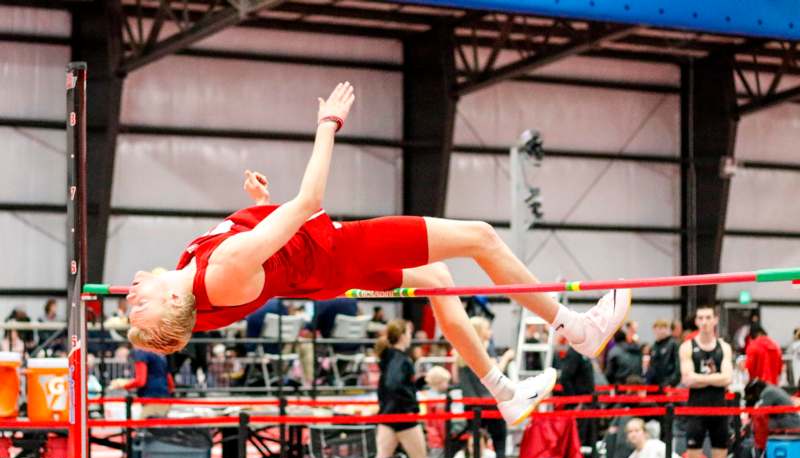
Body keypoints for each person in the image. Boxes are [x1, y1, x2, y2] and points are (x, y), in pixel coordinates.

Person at [124, 81, 631, 425]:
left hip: (318, 265)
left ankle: (502, 390)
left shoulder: (195, 276)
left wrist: (259, 209)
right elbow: (308, 204)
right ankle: (575, 328)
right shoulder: (218, 274)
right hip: (339, 251)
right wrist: (329, 123)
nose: (130, 293)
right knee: (481, 236)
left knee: (436, 277)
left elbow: (267, 260)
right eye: (137, 304)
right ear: (170, 305)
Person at [342, 319, 452, 458]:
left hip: (388, 415)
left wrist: (419, 382)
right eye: (409, 332)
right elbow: (395, 385)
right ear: (402, 335)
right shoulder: (401, 359)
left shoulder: (389, 357)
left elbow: (396, 385)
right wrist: (411, 403)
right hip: (404, 417)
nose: (411, 336)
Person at [678, 305, 740, 458]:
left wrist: (701, 378)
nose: (704, 322)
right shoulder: (687, 347)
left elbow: (728, 378)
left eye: (708, 318)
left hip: (719, 409)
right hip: (696, 409)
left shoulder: (724, 347)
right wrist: (715, 377)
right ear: (696, 322)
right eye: (700, 318)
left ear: (715, 320)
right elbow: (687, 379)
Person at [456, 316, 514, 458]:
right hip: (490, 405)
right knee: (500, 447)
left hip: (471, 406)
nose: (491, 332)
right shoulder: (483, 352)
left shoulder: (460, 352)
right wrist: (506, 358)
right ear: (480, 332)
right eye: (488, 329)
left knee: (474, 446)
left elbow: (456, 378)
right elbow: (497, 373)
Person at [110, 348, 175, 418]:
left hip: (153, 400)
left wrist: (122, 385)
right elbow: (170, 382)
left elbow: (140, 381)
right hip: (164, 399)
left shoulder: (141, 353)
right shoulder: (160, 353)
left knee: (143, 426)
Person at [646, 319, 681, 388]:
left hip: (668, 384)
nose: (660, 331)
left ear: (667, 329)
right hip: (653, 384)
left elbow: (678, 367)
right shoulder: (654, 346)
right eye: (658, 328)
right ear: (654, 330)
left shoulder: (674, 344)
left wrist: (671, 383)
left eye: (663, 328)